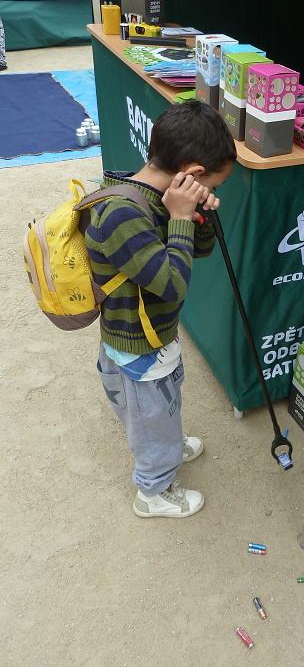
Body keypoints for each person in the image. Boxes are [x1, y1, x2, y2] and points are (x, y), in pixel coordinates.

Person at [85, 101, 236, 518]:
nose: (213, 193)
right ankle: (153, 491)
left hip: (148, 333)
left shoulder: (158, 195)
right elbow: (171, 285)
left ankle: (165, 439)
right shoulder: (122, 214)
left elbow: (192, 254)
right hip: (139, 343)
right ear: (192, 171)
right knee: (152, 415)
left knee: (160, 405)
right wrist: (183, 217)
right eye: (213, 186)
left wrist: (196, 215)